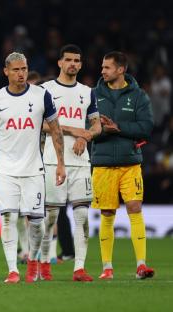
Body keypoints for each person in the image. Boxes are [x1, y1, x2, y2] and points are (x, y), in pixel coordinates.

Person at [0, 52, 66, 284]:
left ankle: (33, 261)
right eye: (16, 70)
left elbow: (56, 130)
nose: (21, 74)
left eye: (24, 69)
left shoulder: (42, 96)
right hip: (6, 170)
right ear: (6, 71)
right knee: (9, 218)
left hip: (33, 170)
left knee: (37, 222)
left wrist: (60, 163)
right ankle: (12, 270)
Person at [40, 44, 102, 282]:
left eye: (77, 60)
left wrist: (85, 136)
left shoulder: (87, 92)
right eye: (68, 60)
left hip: (81, 162)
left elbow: (96, 126)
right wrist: (72, 130)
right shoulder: (45, 90)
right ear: (59, 63)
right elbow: (40, 125)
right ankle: (45, 263)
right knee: (51, 217)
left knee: (82, 217)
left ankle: (79, 268)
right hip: (53, 161)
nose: (73, 64)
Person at [92, 51, 155, 280]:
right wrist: (101, 130)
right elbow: (86, 129)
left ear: (120, 70)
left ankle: (141, 265)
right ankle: (107, 268)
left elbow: (146, 127)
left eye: (107, 67)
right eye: (102, 67)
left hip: (130, 164)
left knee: (135, 208)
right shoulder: (93, 96)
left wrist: (118, 128)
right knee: (107, 213)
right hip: (103, 164)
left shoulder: (139, 96)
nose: (102, 71)